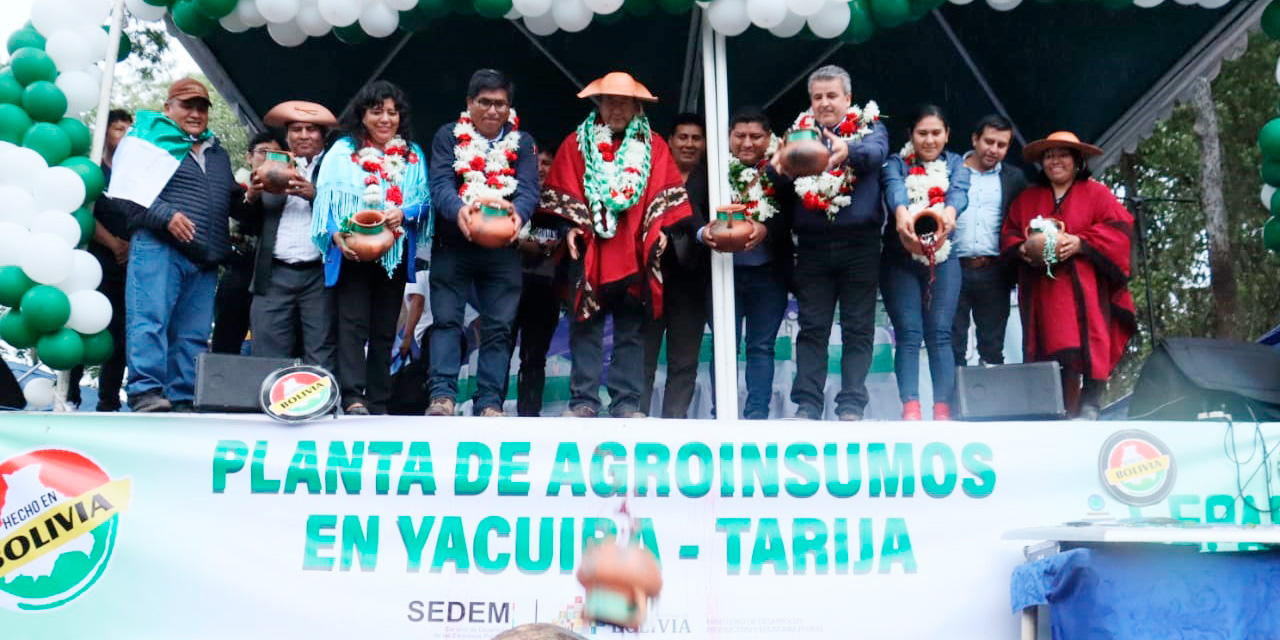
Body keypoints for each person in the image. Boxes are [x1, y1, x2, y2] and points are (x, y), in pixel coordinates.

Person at [540, 71, 692, 418]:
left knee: (631, 329)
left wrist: (663, 230)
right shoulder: (575, 144)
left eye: (624, 103)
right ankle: (583, 402)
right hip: (591, 249)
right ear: (600, 104)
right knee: (586, 325)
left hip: (636, 250)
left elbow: (668, 197)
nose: (617, 109)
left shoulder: (654, 145)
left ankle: (626, 403)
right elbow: (556, 198)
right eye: (610, 102)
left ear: (638, 106)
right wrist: (567, 230)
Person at [106, 78, 241, 412]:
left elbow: (227, 199)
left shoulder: (218, 152)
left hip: (205, 256)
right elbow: (125, 191)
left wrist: (253, 196)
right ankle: (145, 392)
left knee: (193, 334)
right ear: (168, 108)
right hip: (158, 245)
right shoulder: (146, 140)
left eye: (201, 107)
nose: (195, 113)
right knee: (149, 320)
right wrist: (166, 216)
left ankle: (181, 397)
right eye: (187, 105)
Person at [776, 64, 887, 421]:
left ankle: (852, 403)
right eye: (818, 97)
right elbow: (775, 176)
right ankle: (808, 403)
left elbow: (875, 155)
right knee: (812, 328)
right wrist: (777, 163)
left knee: (858, 328)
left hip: (861, 246)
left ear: (848, 99)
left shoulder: (870, 128)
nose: (825, 103)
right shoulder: (798, 135)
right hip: (812, 247)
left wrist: (847, 150)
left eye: (832, 96)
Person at [1000, 131, 1136, 420]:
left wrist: (1080, 243)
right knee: (1048, 346)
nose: (1055, 161)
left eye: (1063, 154)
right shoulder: (1027, 198)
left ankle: (1090, 403)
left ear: (1077, 161)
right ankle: (1052, 409)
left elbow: (1119, 230)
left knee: (1089, 343)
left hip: (1087, 290)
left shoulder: (1097, 194)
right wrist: (1022, 248)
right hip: (1043, 291)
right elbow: (1009, 234)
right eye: (1049, 155)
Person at [312, 81, 429, 416]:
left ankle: (378, 400)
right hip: (352, 251)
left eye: (392, 113)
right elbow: (327, 203)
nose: (385, 119)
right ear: (362, 115)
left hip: (393, 252)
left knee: (385, 327)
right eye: (377, 111)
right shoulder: (341, 151)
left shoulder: (412, 155)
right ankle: (352, 396)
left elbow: (423, 203)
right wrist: (336, 235)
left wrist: (403, 212)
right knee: (351, 325)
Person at [425, 69, 537, 417]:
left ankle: (490, 401)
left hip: (502, 248)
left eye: (500, 103)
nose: (492, 110)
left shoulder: (522, 143)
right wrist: (458, 210)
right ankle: (442, 396)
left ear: (509, 107)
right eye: (484, 102)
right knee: (446, 321)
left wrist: (518, 212)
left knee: (499, 327)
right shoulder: (449, 136)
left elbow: (529, 187)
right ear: (469, 104)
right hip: (454, 242)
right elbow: (441, 182)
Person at [700, 107, 793, 419]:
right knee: (723, 347)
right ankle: (721, 414)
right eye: (740, 136)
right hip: (723, 272)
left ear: (768, 139)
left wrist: (767, 228)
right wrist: (703, 232)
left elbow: (794, 215)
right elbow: (693, 208)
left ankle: (756, 417)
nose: (747, 143)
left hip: (769, 274)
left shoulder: (782, 171)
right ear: (729, 137)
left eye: (755, 136)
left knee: (761, 347)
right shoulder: (712, 170)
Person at [880, 105, 970, 421]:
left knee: (940, 334)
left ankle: (942, 411)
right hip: (899, 258)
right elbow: (893, 188)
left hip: (943, 258)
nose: (929, 140)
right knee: (908, 333)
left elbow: (959, 192)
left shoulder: (957, 163)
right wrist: (902, 215)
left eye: (936, 133)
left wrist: (948, 215)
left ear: (946, 135)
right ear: (911, 135)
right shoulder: (895, 163)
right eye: (922, 133)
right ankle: (911, 410)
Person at [243, 100, 339, 370]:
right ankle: (267, 408)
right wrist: (251, 196)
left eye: (312, 129)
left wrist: (314, 196)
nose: (304, 135)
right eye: (297, 129)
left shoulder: (335, 167)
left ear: (323, 135)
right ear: (287, 135)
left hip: (319, 274)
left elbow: (348, 215)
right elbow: (248, 226)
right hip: (273, 273)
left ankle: (320, 405)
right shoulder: (272, 164)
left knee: (321, 349)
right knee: (267, 350)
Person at [641, 112, 709, 418]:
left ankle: (674, 423)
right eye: (683, 137)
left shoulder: (714, 178)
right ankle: (635, 419)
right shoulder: (650, 173)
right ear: (669, 141)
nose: (689, 144)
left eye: (696, 138)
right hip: (650, 278)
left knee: (684, 361)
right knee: (643, 357)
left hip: (692, 282)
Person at [68, 108, 133, 411]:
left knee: (120, 334)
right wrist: (114, 244)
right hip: (95, 264)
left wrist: (129, 247)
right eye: (119, 129)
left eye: (129, 130)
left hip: (129, 267)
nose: (125, 136)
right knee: (86, 323)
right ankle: (69, 394)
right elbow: (84, 214)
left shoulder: (136, 174)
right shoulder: (93, 170)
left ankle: (109, 401)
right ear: (105, 133)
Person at [950, 114, 1026, 367]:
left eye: (1002, 145)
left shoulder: (1014, 179)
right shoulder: (950, 169)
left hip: (994, 271)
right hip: (952, 268)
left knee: (993, 348)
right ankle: (951, 406)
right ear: (975, 139)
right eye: (989, 142)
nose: (994, 150)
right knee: (951, 346)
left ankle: (992, 405)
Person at [507, 143, 566, 416]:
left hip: (545, 288)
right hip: (508, 286)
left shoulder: (563, 203)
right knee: (500, 349)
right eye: (536, 162)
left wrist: (522, 242)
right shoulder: (510, 197)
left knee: (534, 357)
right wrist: (526, 243)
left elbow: (553, 243)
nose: (541, 168)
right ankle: (490, 408)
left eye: (546, 163)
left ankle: (529, 416)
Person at [210, 133, 280, 356]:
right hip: (239, 272)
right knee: (227, 339)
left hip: (275, 276)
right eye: (263, 153)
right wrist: (251, 195)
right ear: (249, 157)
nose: (269, 158)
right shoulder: (236, 185)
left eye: (276, 155)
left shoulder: (289, 189)